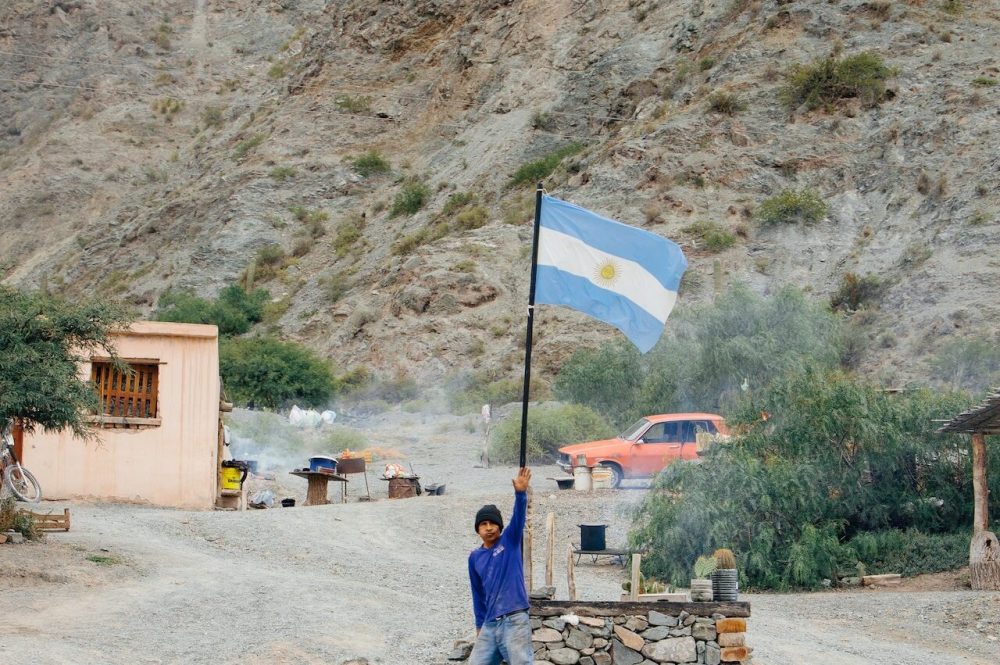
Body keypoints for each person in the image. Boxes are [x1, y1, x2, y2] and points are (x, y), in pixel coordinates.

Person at [467, 467, 533, 665]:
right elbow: (477, 594)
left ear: (500, 527)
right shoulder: (474, 557)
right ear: (478, 529)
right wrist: (479, 626)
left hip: (515, 619)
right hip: (490, 623)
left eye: (493, 523)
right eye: (483, 524)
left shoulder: (509, 542)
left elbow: (519, 516)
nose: (489, 527)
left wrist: (520, 493)